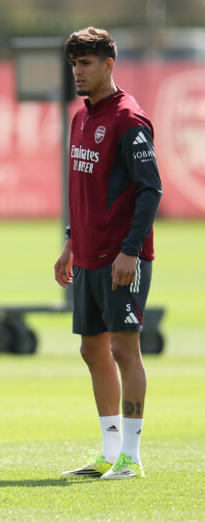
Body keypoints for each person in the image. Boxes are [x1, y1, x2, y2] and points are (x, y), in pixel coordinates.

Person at [55, 27, 162, 480]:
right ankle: (108, 450)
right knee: (92, 349)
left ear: (109, 64)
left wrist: (130, 252)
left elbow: (150, 189)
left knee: (123, 348)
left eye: (87, 63)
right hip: (88, 254)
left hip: (122, 256)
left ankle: (132, 457)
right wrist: (70, 242)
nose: (78, 72)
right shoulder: (81, 117)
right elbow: (85, 187)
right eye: (74, 64)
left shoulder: (129, 119)